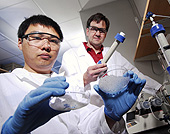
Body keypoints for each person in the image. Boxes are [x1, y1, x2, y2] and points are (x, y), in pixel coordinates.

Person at [0, 14, 146, 134]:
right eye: (37, 38)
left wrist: (110, 115)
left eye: (53, 40)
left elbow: (85, 128)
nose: (46, 46)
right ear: (20, 42)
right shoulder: (3, 84)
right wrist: (11, 132)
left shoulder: (70, 86)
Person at [59, 12, 162, 107]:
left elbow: (136, 75)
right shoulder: (71, 55)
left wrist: (159, 89)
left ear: (105, 34)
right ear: (87, 31)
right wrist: (85, 78)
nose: (97, 34)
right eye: (94, 29)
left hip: (117, 109)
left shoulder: (114, 54)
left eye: (102, 31)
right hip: (89, 112)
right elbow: (67, 86)